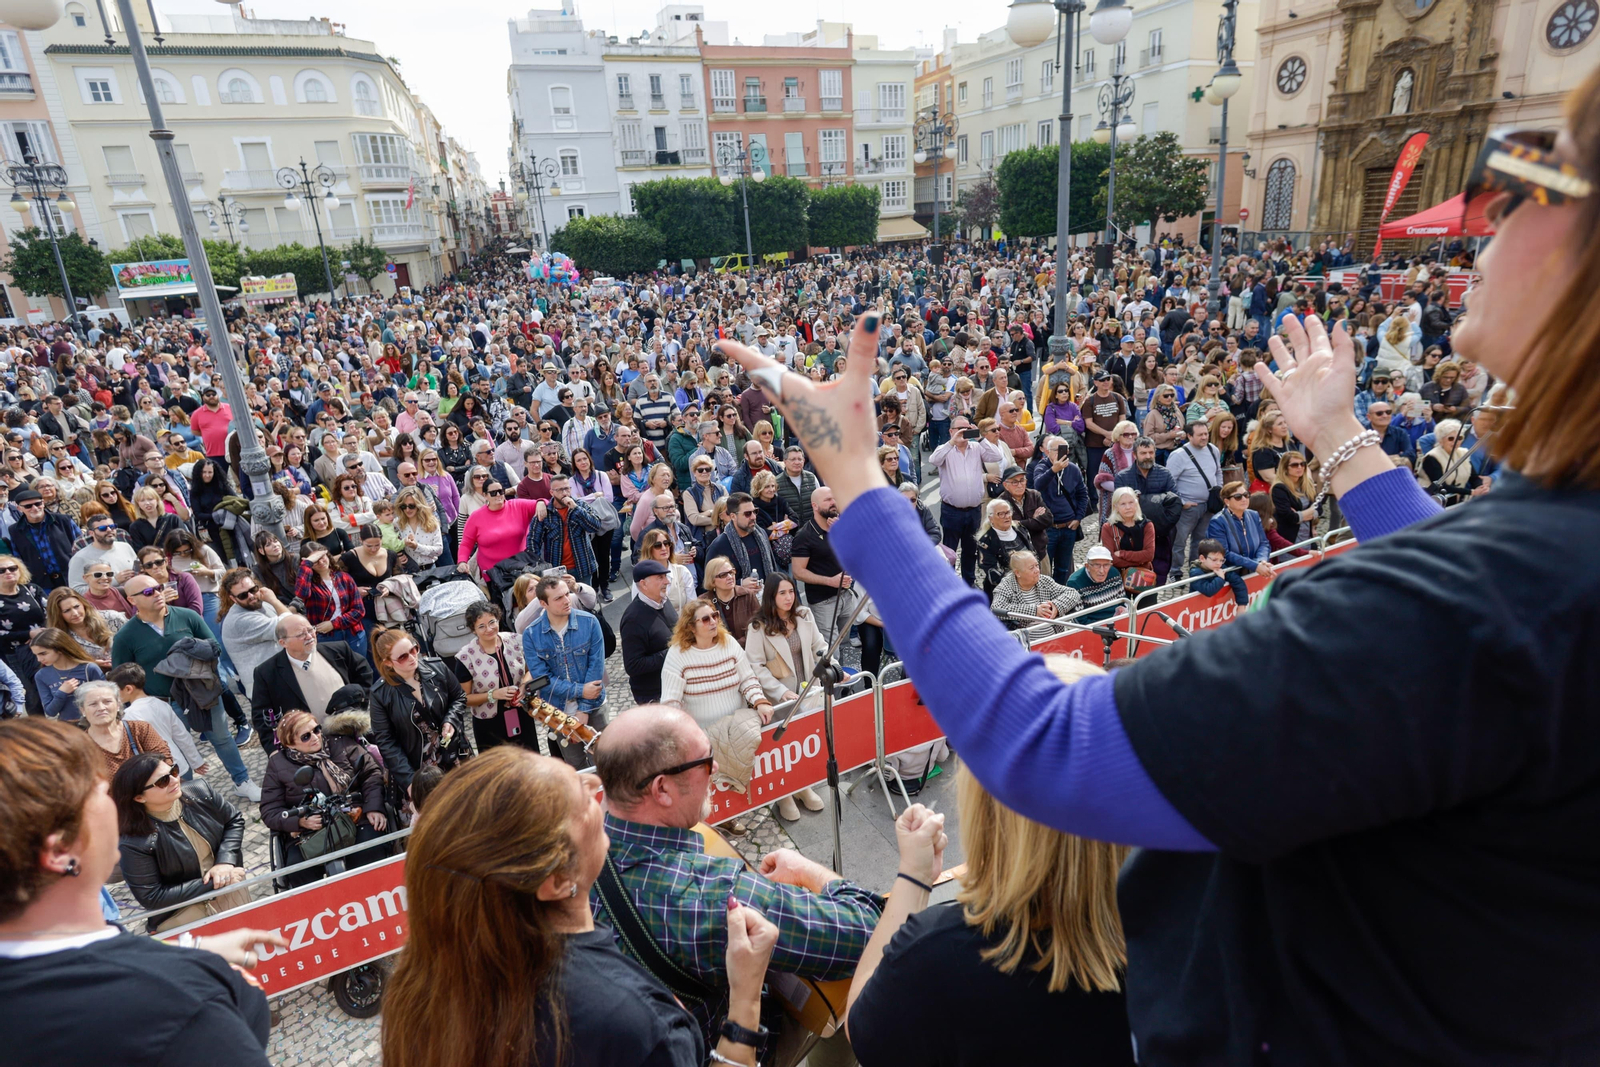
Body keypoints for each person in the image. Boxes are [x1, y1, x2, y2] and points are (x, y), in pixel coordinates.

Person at [381, 746, 780, 1067]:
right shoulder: (635, 1024)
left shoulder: (420, 989)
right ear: (556, 881)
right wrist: (745, 1000)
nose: (594, 786)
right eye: (577, 799)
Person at [846, 677, 1135, 1067]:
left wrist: (913, 876)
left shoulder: (939, 953)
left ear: (988, 814)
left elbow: (862, 1024)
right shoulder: (1183, 931)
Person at [591, 705, 882, 1052]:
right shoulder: (713, 895)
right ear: (662, 790)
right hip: (725, 1046)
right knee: (856, 999)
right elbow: (869, 930)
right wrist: (806, 869)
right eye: (704, 761)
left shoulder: (570, 854)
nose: (715, 768)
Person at [0, 718, 279, 1067]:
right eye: (96, 792)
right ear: (61, 852)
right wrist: (198, 972)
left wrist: (187, 949)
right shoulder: (184, 1000)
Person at [111, 574, 257, 801]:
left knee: (222, 738)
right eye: (149, 592)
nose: (158, 593)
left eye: (158, 588)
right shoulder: (125, 636)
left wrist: (187, 654)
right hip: (164, 703)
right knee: (171, 752)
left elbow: (215, 647)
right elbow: (122, 676)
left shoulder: (187, 616)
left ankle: (243, 781)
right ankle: (187, 798)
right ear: (132, 600)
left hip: (204, 693)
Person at [112, 750, 250, 933]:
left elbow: (234, 820)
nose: (174, 780)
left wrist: (225, 862)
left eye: (174, 771)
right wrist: (216, 881)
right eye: (162, 781)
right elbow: (152, 896)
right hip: (185, 914)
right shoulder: (133, 842)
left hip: (231, 891)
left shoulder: (200, 791)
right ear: (139, 797)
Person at [259, 709, 388, 887]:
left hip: (355, 817)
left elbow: (372, 773)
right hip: (309, 834)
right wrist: (300, 821)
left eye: (317, 730)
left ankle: (379, 896)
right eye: (306, 736)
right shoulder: (277, 764)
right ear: (289, 744)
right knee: (299, 872)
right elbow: (269, 810)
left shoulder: (340, 743)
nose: (315, 737)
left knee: (372, 849)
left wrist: (373, 807)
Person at [743, 573, 828, 820]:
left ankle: (802, 787)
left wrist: (833, 666)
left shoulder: (804, 616)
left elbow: (819, 646)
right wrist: (781, 692)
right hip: (780, 698)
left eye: (791, 591)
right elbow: (755, 666)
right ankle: (784, 795)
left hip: (808, 691)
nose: (789, 597)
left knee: (804, 742)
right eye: (782, 593)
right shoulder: (757, 627)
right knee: (783, 746)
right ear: (771, 596)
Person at [248, 612, 373, 753]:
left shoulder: (338, 651)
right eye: (301, 634)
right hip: (307, 747)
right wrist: (274, 752)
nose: (309, 636)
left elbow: (364, 673)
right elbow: (262, 718)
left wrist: (357, 705)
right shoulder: (267, 673)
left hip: (348, 737)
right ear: (283, 643)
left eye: (310, 629)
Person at [368, 627, 470, 790]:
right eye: (402, 657)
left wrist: (450, 720)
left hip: (452, 752)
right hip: (419, 769)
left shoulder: (436, 668)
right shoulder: (380, 694)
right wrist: (410, 782)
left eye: (414, 649)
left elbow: (459, 697)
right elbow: (386, 743)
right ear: (387, 662)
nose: (412, 657)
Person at [521, 576, 607, 767]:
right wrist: (580, 691)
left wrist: (583, 708)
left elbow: (595, 670)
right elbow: (542, 679)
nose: (567, 600)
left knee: (603, 764)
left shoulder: (590, 622)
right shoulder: (531, 635)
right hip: (557, 711)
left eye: (567, 594)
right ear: (543, 603)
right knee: (574, 766)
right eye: (558, 598)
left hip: (594, 706)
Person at [453, 601, 544, 756]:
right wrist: (493, 695)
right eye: (481, 626)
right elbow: (464, 698)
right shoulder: (465, 657)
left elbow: (531, 671)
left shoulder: (516, 640)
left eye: (492, 622)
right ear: (473, 630)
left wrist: (523, 685)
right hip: (489, 723)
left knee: (529, 761)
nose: (489, 629)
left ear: (498, 619)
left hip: (521, 713)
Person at [929, 417, 1003, 584]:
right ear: (951, 431)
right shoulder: (945, 449)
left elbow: (997, 455)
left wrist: (980, 437)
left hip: (974, 510)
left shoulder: (976, 447)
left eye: (966, 428)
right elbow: (933, 460)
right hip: (952, 510)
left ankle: (969, 582)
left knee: (971, 550)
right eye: (959, 428)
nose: (963, 431)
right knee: (950, 550)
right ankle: (948, 583)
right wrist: (952, 442)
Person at [108, 662, 207, 781]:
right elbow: (182, 736)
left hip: (159, 773)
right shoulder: (161, 703)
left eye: (116, 691)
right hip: (179, 765)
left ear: (128, 689)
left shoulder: (129, 716)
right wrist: (196, 762)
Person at [1164, 420, 1225, 570]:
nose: (1204, 437)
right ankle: (1175, 571)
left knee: (1200, 540)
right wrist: (1182, 501)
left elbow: (1218, 471)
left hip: (1208, 506)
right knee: (1179, 541)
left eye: (1206, 434)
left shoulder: (1213, 450)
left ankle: (1195, 568)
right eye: (1200, 435)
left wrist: (1219, 491)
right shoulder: (1178, 455)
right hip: (1188, 508)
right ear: (1189, 436)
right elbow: (1169, 482)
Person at [294, 543, 367, 660]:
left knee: (359, 670)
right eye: (315, 560)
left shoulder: (344, 577)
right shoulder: (309, 584)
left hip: (353, 632)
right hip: (327, 637)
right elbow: (301, 593)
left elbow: (359, 610)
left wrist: (334, 624)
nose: (321, 562)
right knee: (336, 673)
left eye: (322, 557)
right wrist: (307, 564)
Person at [619, 559, 677, 705]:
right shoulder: (633, 619)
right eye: (660, 578)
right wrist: (672, 652)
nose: (667, 582)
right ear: (644, 584)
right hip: (654, 696)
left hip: (673, 686)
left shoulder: (663, 600)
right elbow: (633, 665)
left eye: (665, 577)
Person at [457, 478, 542, 575]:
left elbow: (547, 504)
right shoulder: (475, 517)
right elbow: (466, 543)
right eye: (493, 493)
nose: (498, 495)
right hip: (493, 573)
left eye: (500, 491)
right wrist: (462, 561)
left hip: (521, 568)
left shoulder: (518, 505)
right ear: (485, 495)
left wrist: (541, 502)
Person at [1032, 435, 1090, 577]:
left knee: (1063, 569)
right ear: (1047, 452)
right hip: (1048, 529)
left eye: (1064, 450)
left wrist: (1078, 518)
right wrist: (1053, 470)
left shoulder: (1073, 469)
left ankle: (1062, 597)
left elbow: (1083, 495)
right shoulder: (1041, 467)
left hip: (1068, 526)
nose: (1060, 453)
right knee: (1045, 570)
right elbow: (1038, 485)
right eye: (1056, 450)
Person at [1206, 480, 1277, 580]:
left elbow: (1263, 543)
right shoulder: (1217, 522)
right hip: (1230, 575)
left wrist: (1261, 560)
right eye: (1238, 497)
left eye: (1246, 495)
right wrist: (1255, 565)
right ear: (1227, 501)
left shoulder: (1254, 515)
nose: (1244, 499)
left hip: (1254, 571)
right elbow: (1223, 553)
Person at [704, 492, 776, 590]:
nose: (753, 517)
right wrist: (739, 584)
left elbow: (773, 567)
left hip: (767, 597)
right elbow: (709, 584)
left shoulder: (761, 534)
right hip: (739, 602)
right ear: (733, 516)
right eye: (747, 514)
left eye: (755, 511)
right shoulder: (718, 546)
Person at [8, 487, 77, 591]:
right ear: (19, 508)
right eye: (28, 506)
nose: (34, 508)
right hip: (41, 584)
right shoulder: (15, 530)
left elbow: (81, 546)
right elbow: (18, 559)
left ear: (43, 503)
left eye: (38, 504)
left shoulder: (64, 521)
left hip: (71, 576)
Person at [29, 627, 104, 721]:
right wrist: (62, 693)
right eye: (36, 655)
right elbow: (50, 712)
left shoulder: (89, 668)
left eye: (43, 654)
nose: (39, 659)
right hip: (67, 728)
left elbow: (107, 698)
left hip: (93, 724)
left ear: (59, 649)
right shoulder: (41, 675)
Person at [67, 510, 138, 594]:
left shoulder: (126, 546)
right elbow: (76, 590)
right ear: (91, 533)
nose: (109, 530)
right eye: (102, 528)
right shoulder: (80, 558)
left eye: (112, 526)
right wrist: (114, 581)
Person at [1100, 486, 1155, 586]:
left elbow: (1149, 555)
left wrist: (1122, 554)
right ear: (1115, 506)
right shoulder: (1108, 528)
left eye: (1131, 502)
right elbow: (1110, 558)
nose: (1128, 507)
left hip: (1143, 578)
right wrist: (1140, 561)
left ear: (1136, 503)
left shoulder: (1147, 525)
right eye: (1123, 504)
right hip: (1118, 579)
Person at [699, 556, 759, 645]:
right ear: (712, 581)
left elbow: (759, 626)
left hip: (747, 650)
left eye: (731, 572)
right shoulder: (703, 602)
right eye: (723, 575)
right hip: (718, 653)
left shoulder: (748, 595)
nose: (730, 577)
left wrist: (735, 645)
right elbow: (701, 633)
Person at [976, 497, 1027, 595]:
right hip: (1004, 591)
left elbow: (1033, 554)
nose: (1006, 516)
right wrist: (1020, 584)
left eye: (1008, 512)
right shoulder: (985, 541)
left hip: (1029, 584)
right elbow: (993, 573)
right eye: (1001, 514)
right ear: (991, 518)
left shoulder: (1021, 530)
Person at [1270, 452, 1319, 543]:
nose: (1300, 467)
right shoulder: (1279, 488)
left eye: (1302, 464)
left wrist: (1300, 515)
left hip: (1308, 536)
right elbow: (1288, 516)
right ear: (1285, 468)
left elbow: (1319, 507)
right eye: (1294, 465)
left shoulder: (1307, 484)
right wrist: (1308, 512)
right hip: (1289, 538)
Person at [1190, 537, 1251, 605]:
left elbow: (1237, 581)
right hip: (1197, 607)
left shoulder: (1220, 567)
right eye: (1214, 560)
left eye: (1221, 560)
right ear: (1202, 558)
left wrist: (1242, 604)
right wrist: (1220, 578)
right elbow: (1208, 591)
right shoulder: (1195, 572)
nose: (1219, 563)